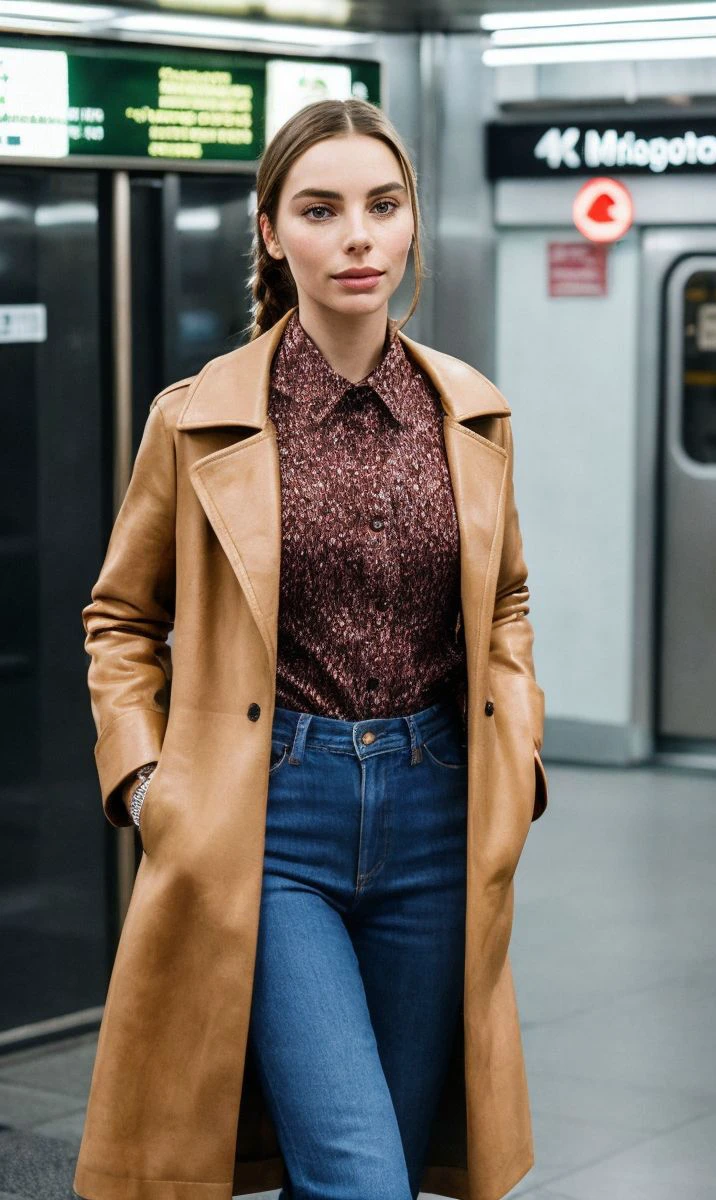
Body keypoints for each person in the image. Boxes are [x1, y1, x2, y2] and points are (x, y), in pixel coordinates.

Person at [76, 97, 548, 1200]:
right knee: (357, 1175)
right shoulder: (194, 418)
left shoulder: (467, 413)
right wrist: (150, 789)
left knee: (345, 1166)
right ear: (269, 229)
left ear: (412, 225)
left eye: (382, 207)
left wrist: (516, 761)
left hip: (437, 819)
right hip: (265, 819)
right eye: (321, 209)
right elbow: (120, 621)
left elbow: (508, 603)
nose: (357, 237)